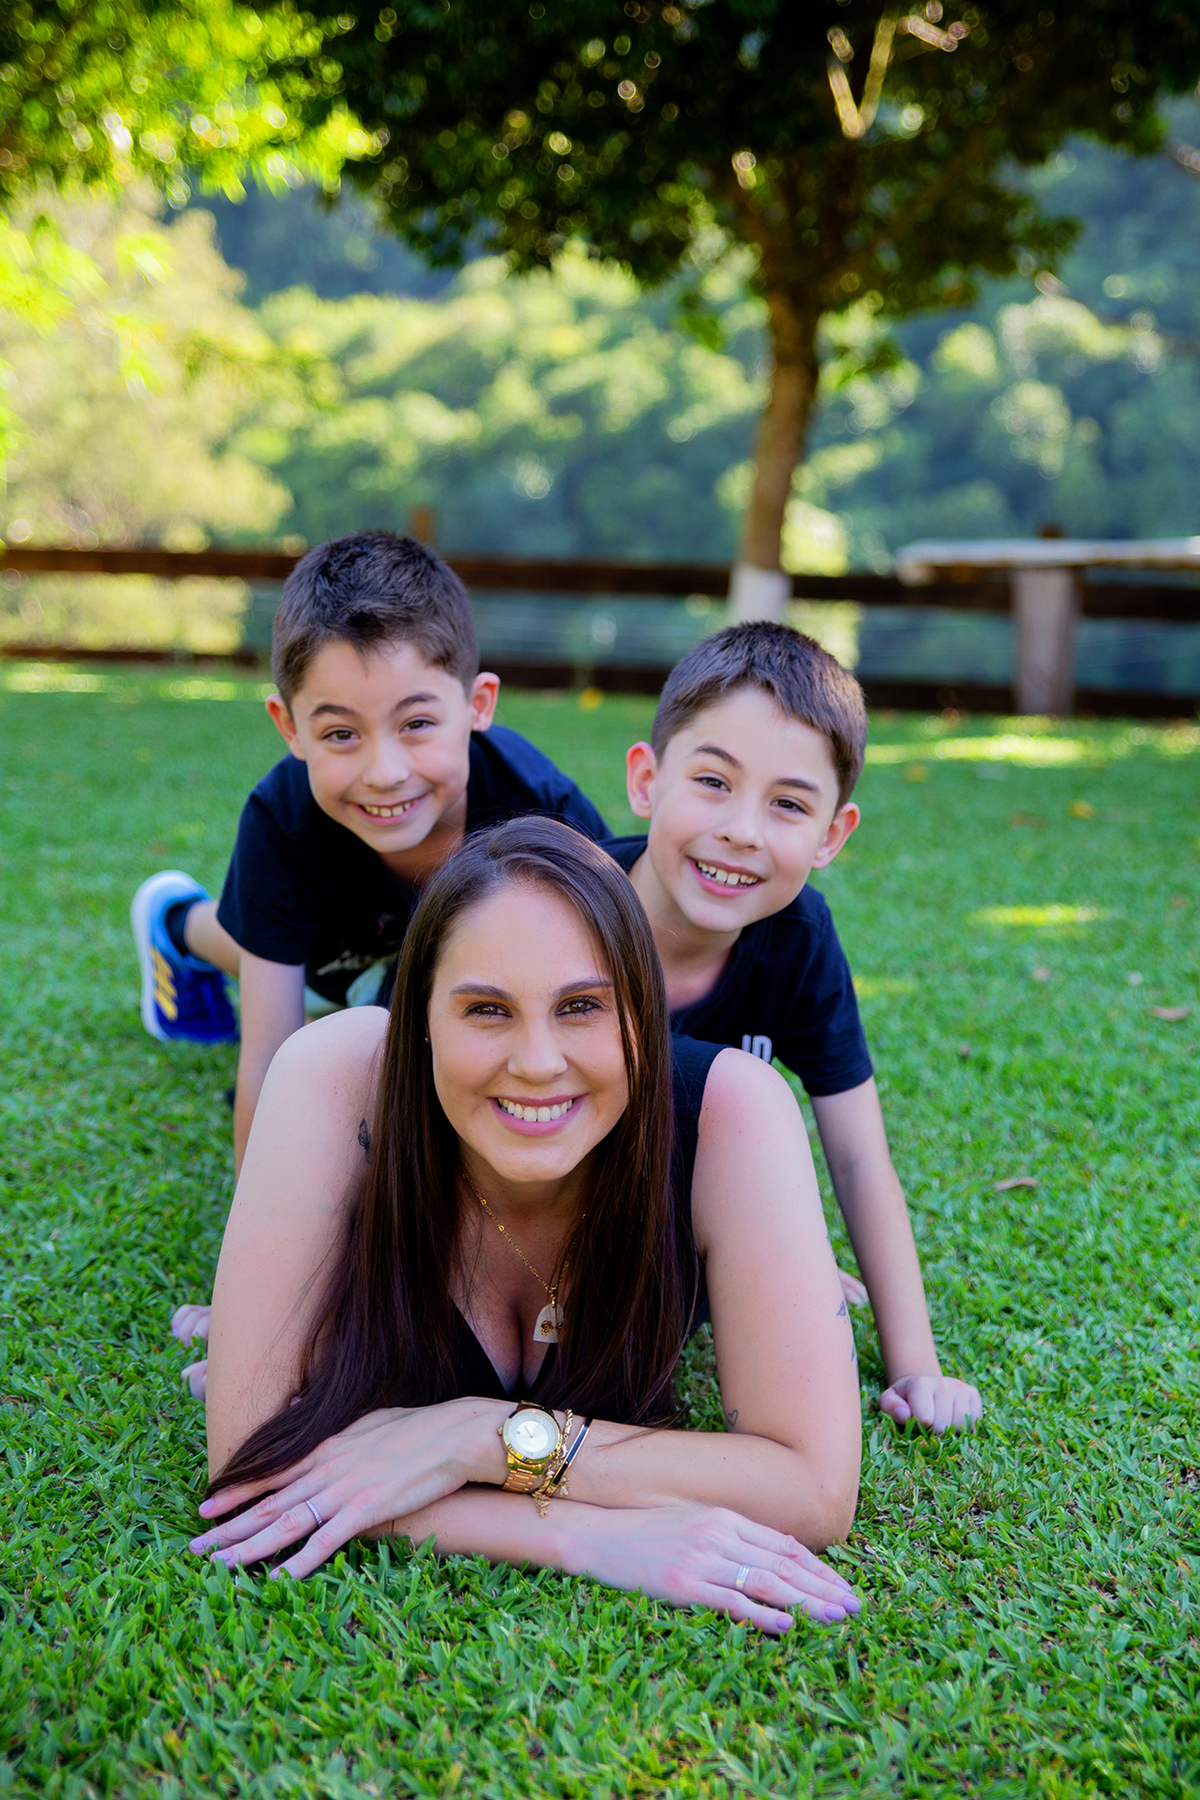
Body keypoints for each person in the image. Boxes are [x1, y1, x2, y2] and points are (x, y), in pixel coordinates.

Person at [192, 819, 864, 1635]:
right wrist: (586, 1534)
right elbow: (251, 1466)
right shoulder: (334, 1077)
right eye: (486, 1009)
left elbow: (815, 1490)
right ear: (423, 1017)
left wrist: (481, 1438)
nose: (538, 1061)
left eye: (581, 1005)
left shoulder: (733, 1110)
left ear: (643, 1019)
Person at [131, 532, 610, 1370]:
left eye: (418, 723)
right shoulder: (283, 819)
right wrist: (254, 1283)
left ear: (479, 703)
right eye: (341, 734)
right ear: (288, 726)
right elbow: (273, 1065)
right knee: (248, 944)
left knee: (399, 1024)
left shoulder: (547, 816)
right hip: (331, 949)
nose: (385, 772)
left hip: (452, 972)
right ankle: (176, 927)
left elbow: (613, 1018)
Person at [609, 622, 981, 1435]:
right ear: (647, 780)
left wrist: (916, 1365)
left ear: (831, 836)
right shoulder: (567, 914)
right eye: (713, 781)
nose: (743, 829)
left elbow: (855, 1153)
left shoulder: (801, 942)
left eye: (787, 805)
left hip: (676, 1269)